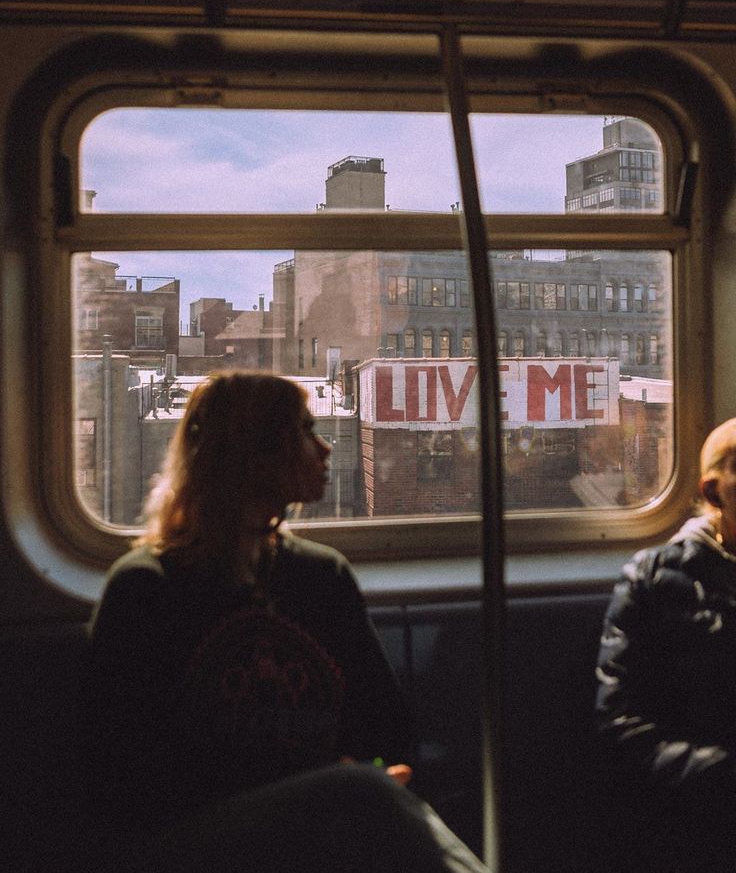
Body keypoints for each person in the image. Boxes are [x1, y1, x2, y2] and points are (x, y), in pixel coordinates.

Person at [86, 371, 489, 873]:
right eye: (303, 430)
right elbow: (124, 775)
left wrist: (355, 782)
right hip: (189, 840)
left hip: (324, 823)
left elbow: (384, 725)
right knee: (362, 794)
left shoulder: (320, 576)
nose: (324, 449)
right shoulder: (147, 590)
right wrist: (327, 790)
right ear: (253, 453)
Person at [596, 417, 736, 872]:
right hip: (704, 796)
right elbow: (621, 719)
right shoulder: (653, 580)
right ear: (715, 493)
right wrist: (717, 773)